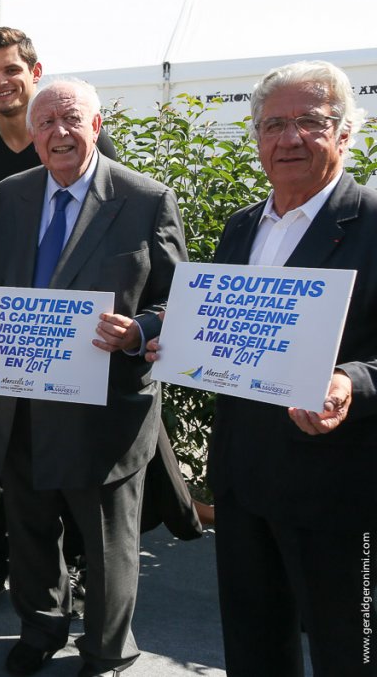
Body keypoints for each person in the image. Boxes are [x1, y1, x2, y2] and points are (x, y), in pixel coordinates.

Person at [148, 60, 377, 677]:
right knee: (253, 643)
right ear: (255, 139)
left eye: (310, 121)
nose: (290, 138)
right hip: (244, 477)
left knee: (348, 649)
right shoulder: (243, 226)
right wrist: (159, 332)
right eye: (274, 124)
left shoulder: (373, 224)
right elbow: (213, 318)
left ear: (345, 133)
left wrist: (349, 381)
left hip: (337, 490)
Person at [0, 78, 186, 676]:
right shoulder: (7, 197)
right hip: (19, 401)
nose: (57, 133)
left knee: (106, 542)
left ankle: (106, 651)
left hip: (106, 407)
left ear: (96, 126)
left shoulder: (146, 198)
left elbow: (181, 305)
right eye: (44, 123)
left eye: (70, 119)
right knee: (29, 527)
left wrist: (140, 332)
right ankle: (41, 627)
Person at [0, 26, 117, 622]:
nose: (0, 83)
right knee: (1, 468)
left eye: (10, 71)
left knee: (70, 467)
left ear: (34, 72)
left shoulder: (84, 143)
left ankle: (70, 570)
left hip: (74, 350)